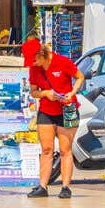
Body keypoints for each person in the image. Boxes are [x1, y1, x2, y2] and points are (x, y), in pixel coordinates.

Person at [27, 42, 84, 199]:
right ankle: (42, 186)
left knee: (65, 150)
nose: (32, 64)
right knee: (46, 149)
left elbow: (80, 77)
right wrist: (45, 93)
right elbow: (33, 92)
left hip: (66, 110)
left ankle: (65, 187)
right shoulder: (34, 69)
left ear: (42, 55)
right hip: (46, 111)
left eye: (34, 60)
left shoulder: (62, 62)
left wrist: (72, 93)